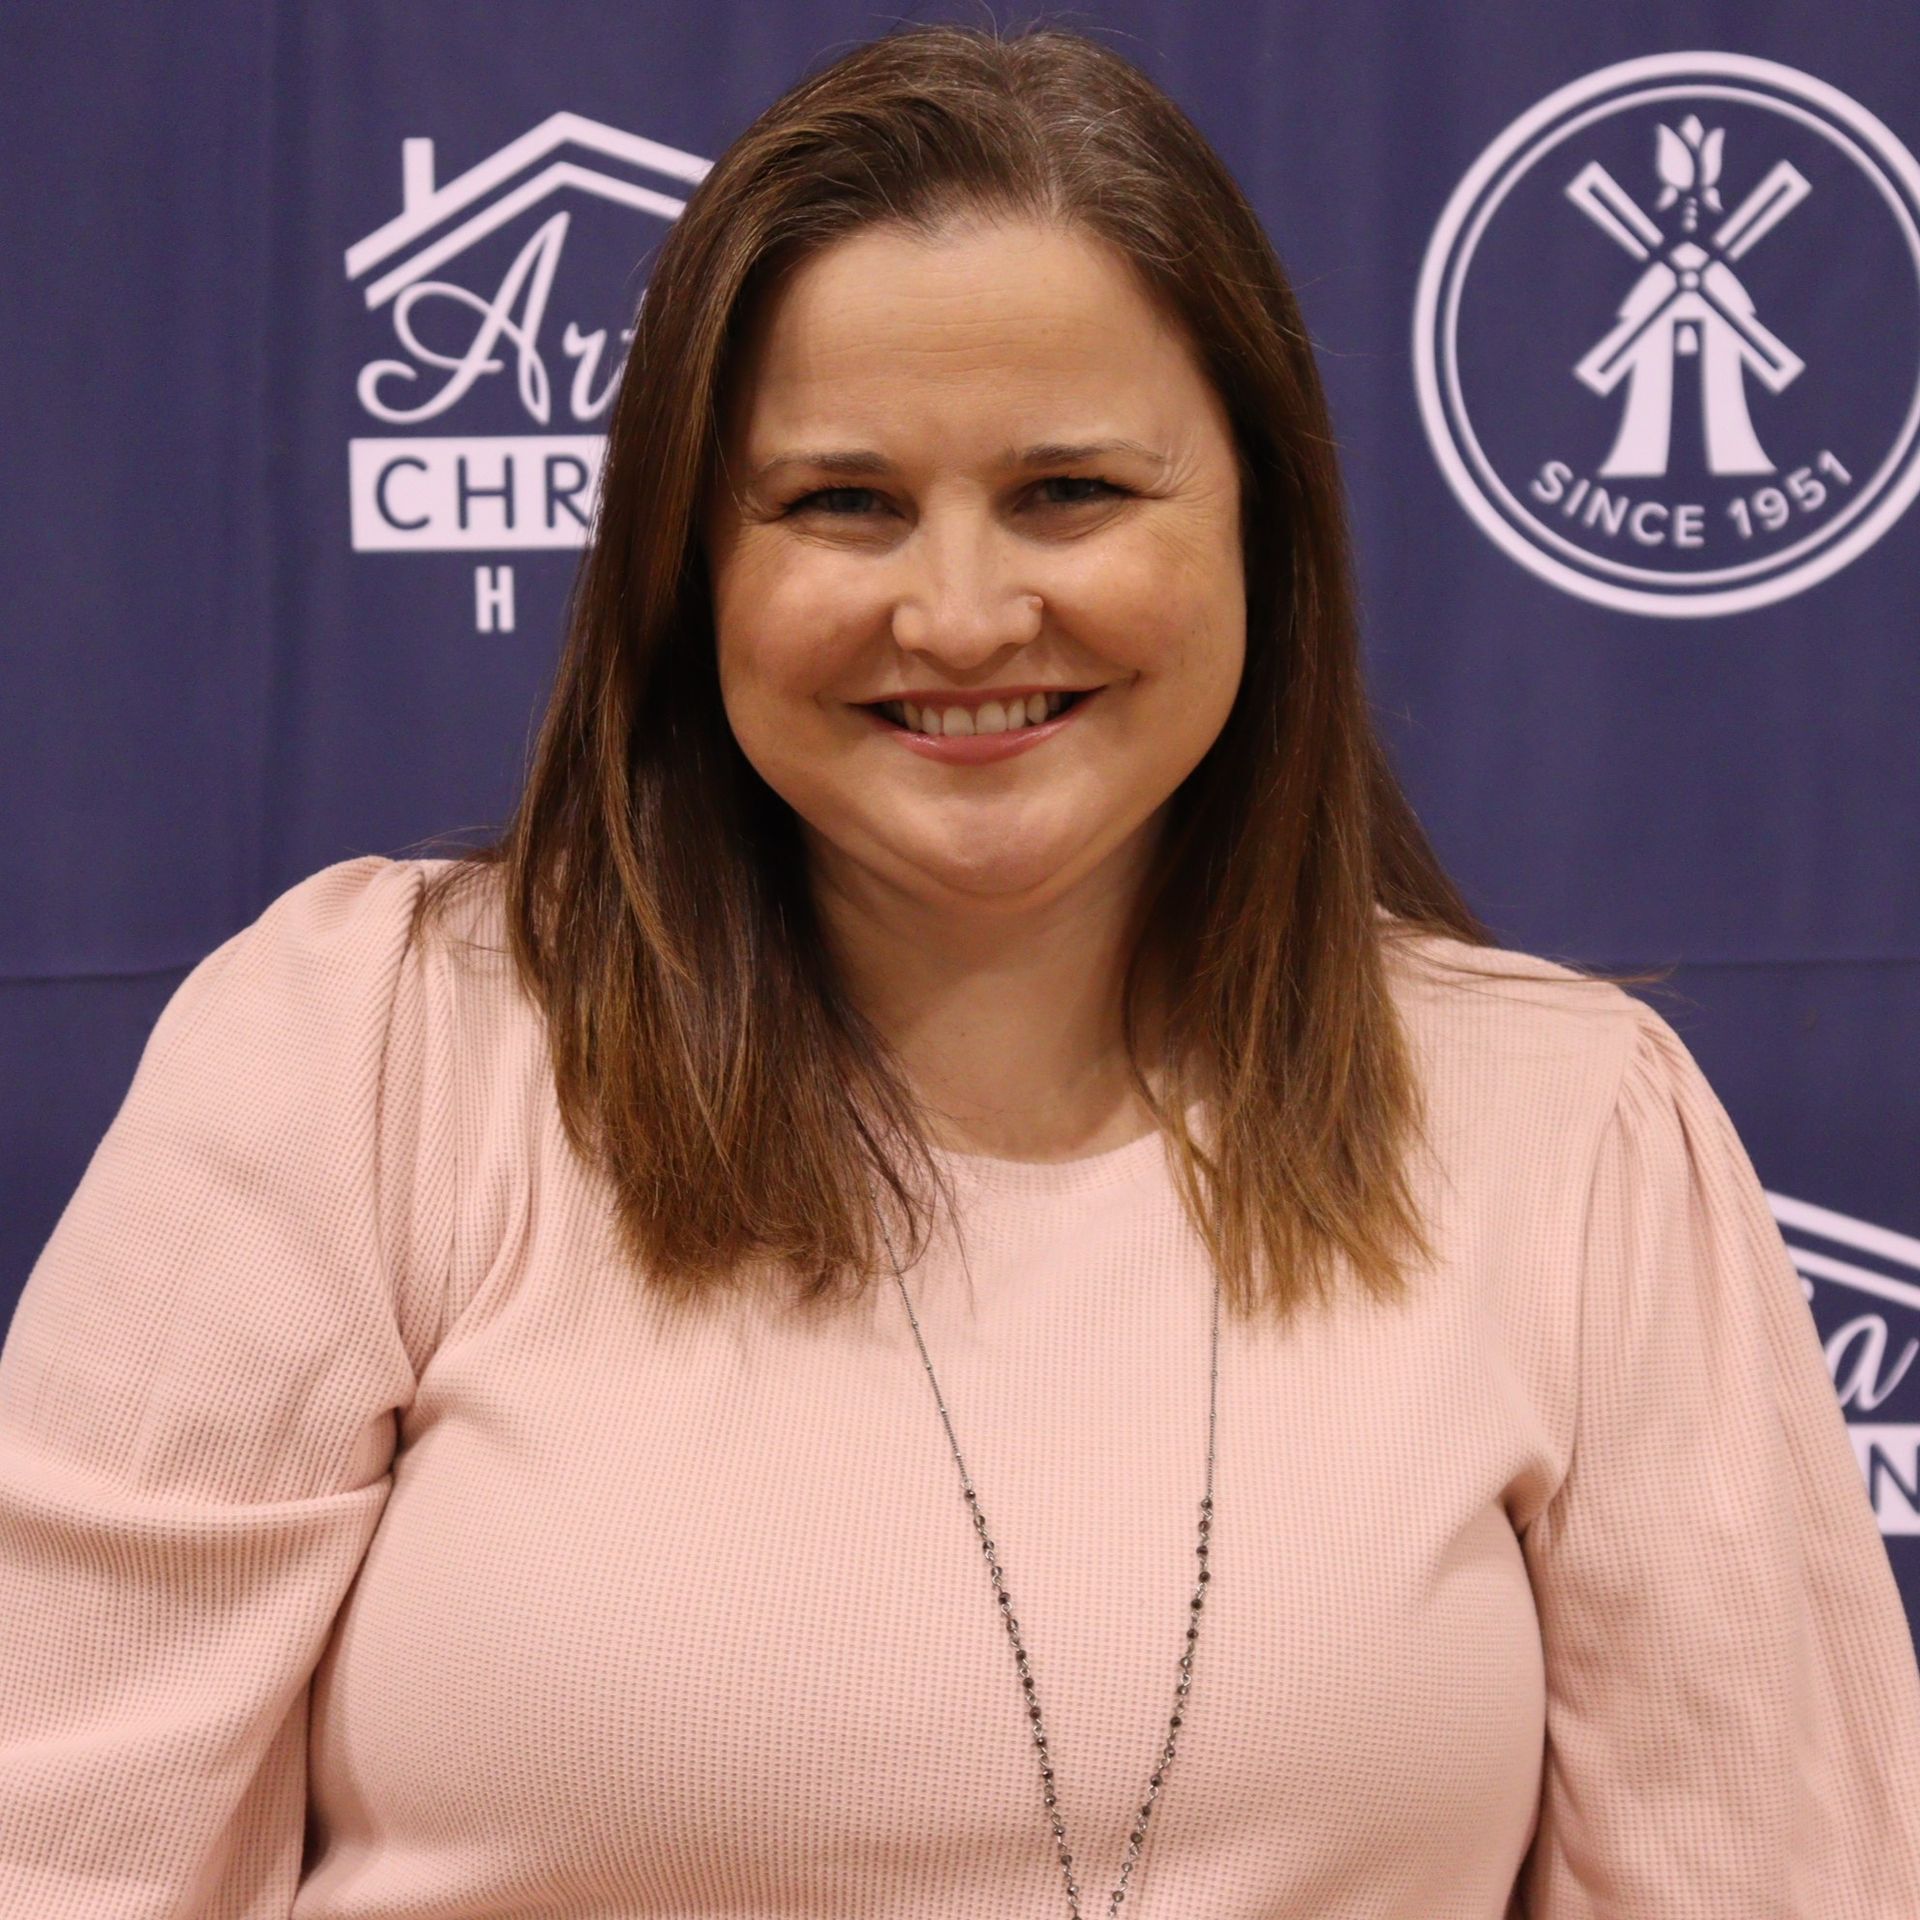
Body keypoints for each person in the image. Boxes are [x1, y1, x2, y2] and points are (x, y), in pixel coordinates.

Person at [3, 19, 1917, 1917]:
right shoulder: (372, 1057)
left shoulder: (1570, 1131)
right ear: (689, 561)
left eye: (1071, 492)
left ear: (1261, 521)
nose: (963, 611)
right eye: (842, 502)